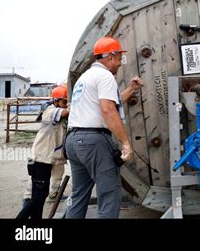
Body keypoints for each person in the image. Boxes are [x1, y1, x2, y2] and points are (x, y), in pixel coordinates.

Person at [65, 36, 143, 218]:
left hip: (74, 141)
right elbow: (108, 110)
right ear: (110, 57)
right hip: (94, 142)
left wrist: (131, 88)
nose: (120, 64)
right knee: (110, 194)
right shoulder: (105, 76)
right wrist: (125, 143)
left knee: (79, 195)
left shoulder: (86, 77)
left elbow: (109, 103)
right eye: (119, 59)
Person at [16, 85, 69, 219]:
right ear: (55, 101)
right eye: (64, 102)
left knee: (40, 197)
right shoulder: (50, 111)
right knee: (36, 198)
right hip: (41, 159)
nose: (65, 105)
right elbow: (65, 113)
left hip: (50, 158)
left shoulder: (60, 111)